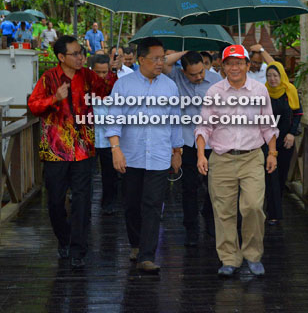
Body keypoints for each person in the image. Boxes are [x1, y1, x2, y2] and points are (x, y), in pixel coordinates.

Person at [28, 35, 117, 269]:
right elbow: (34, 106)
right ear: (61, 57)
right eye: (75, 54)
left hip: (84, 148)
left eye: (81, 53)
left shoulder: (87, 76)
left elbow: (106, 92)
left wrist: (111, 73)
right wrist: (54, 98)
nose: (80, 57)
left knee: (82, 199)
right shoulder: (49, 78)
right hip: (56, 150)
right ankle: (63, 238)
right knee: (56, 201)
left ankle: (79, 249)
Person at [195, 44, 279, 277]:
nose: (234, 67)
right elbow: (204, 126)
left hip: (252, 157)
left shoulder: (259, 90)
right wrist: (202, 154)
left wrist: (272, 153)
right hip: (221, 158)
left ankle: (253, 255)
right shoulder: (214, 92)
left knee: (252, 206)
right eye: (229, 63)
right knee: (223, 211)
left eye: (239, 63)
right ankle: (229, 258)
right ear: (222, 67)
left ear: (247, 65)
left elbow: (269, 124)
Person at [105, 37, 183, 273]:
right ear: (141, 60)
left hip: (159, 155)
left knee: (152, 204)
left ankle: (147, 256)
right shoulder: (124, 85)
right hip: (131, 154)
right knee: (131, 204)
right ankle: (137, 244)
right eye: (156, 59)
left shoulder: (169, 86)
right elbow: (113, 119)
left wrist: (176, 151)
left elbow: (175, 122)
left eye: (163, 58)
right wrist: (115, 149)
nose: (160, 63)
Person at [163, 51, 222, 246]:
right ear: (184, 71)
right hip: (187, 141)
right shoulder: (175, 77)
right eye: (193, 74)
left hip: (213, 143)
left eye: (201, 72)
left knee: (214, 186)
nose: (198, 77)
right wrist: (185, 51)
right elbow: (164, 62)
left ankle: (211, 219)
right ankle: (191, 228)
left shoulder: (216, 80)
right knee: (189, 187)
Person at [251, 45, 303, 224]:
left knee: (281, 178)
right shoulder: (262, 92)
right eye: (269, 76)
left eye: (275, 75)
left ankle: (275, 207)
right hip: (266, 141)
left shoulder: (290, 91)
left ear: (281, 76)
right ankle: (273, 214)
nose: (272, 79)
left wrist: (292, 133)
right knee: (270, 175)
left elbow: (297, 114)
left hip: (285, 140)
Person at [91, 54, 123, 215]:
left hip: (108, 138)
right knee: (85, 174)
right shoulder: (85, 86)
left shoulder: (115, 85)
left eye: (105, 72)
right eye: (98, 72)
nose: (102, 76)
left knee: (110, 174)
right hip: (89, 138)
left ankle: (109, 203)